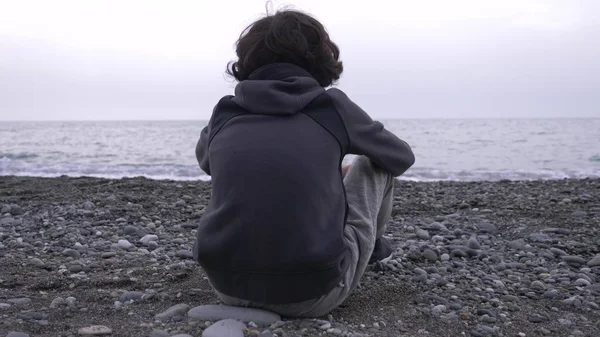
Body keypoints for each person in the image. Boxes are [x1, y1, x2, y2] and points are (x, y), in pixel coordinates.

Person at [193, 8, 415, 318]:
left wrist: (323, 168)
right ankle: (371, 248)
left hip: (226, 286)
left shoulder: (225, 113)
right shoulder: (330, 107)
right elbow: (400, 157)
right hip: (311, 294)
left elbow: (208, 162)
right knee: (373, 165)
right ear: (320, 60)